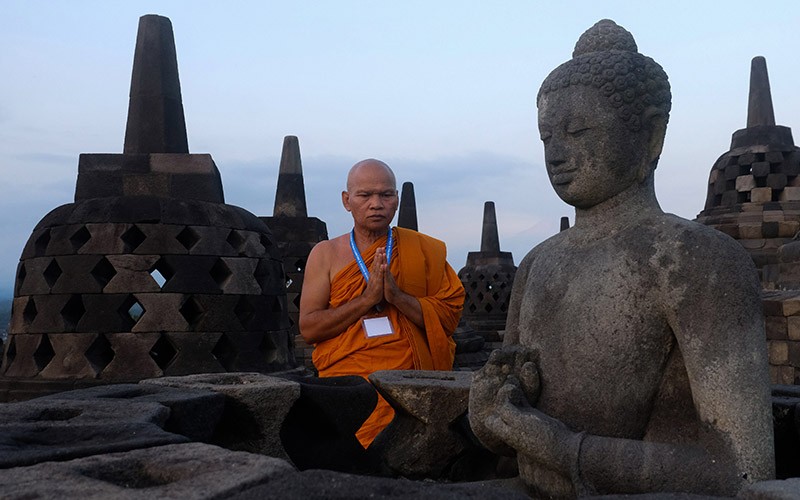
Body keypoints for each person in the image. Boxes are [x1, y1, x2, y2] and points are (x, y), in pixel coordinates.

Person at [468, 20, 774, 497]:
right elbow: (511, 433)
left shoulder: (693, 262)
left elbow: (742, 471)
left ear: (651, 136)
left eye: (578, 131)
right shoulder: (536, 265)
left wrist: (566, 449)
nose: (557, 154)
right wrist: (492, 412)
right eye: (547, 137)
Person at [299, 158, 465, 447]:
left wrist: (397, 297)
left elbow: (449, 317)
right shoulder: (325, 254)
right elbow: (310, 328)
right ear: (346, 200)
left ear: (397, 200)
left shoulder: (424, 251)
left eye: (386, 195)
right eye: (365, 195)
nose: (376, 203)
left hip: (411, 384)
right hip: (348, 386)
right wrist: (367, 300)